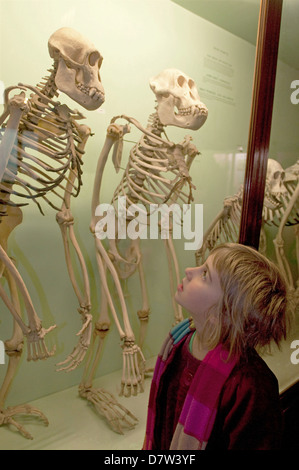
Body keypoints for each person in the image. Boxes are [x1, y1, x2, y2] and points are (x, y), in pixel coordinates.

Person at [143, 243, 292, 450]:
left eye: (205, 275)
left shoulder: (249, 386)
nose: (189, 270)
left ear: (221, 314)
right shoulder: (178, 343)